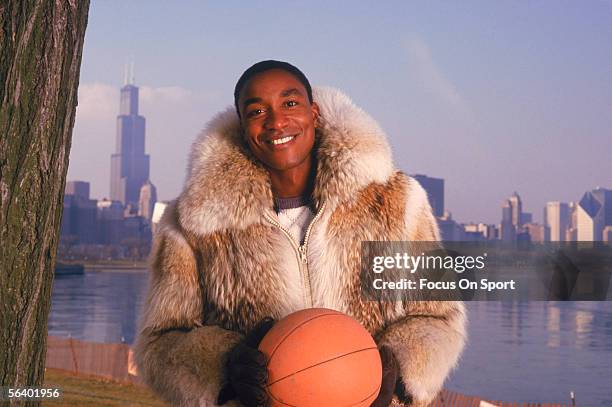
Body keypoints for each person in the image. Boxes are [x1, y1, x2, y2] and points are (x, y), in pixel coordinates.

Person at [135, 60, 466, 407]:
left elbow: (439, 316)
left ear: (314, 112)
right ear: (244, 127)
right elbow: (159, 342)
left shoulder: (397, 201)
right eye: (257, 111)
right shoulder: (194, 222)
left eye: (290, 104)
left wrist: (396, 370)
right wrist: (224, 368)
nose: (276, 121)